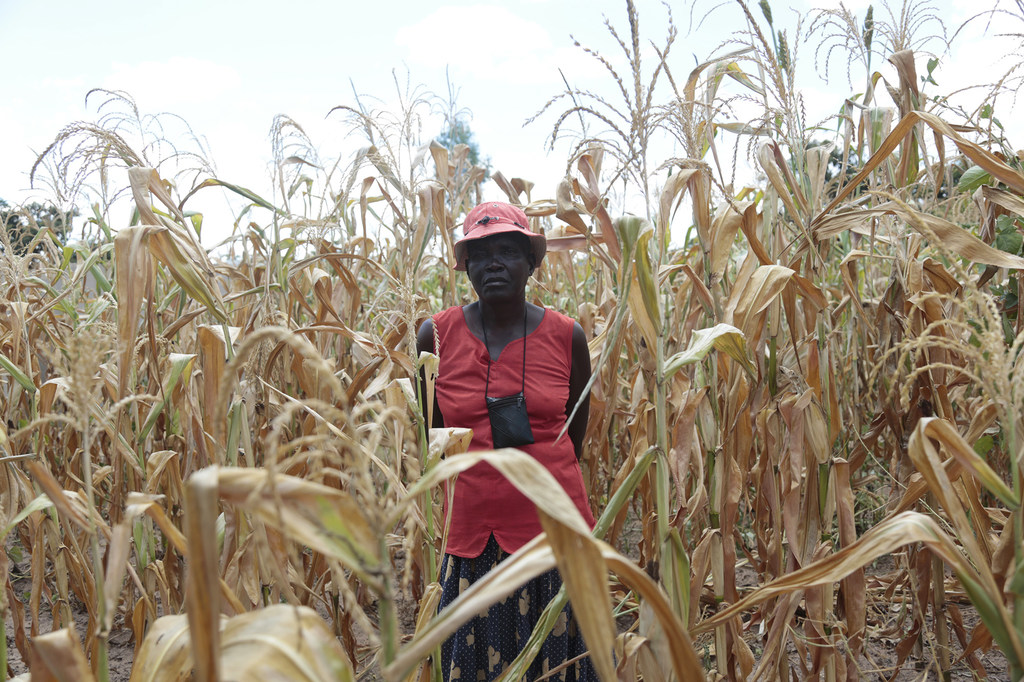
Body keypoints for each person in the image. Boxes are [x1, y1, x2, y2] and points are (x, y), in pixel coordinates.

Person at [416, 201, 597, 681]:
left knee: (558, 664)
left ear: (531, 263)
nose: (493, 262)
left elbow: (573, 432)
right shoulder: (434, 336)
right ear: (466, 267)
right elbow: (432, 435)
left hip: (553, 533)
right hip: (474, 538)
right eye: (479, 253)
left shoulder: (567, 336)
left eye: (507, 250)